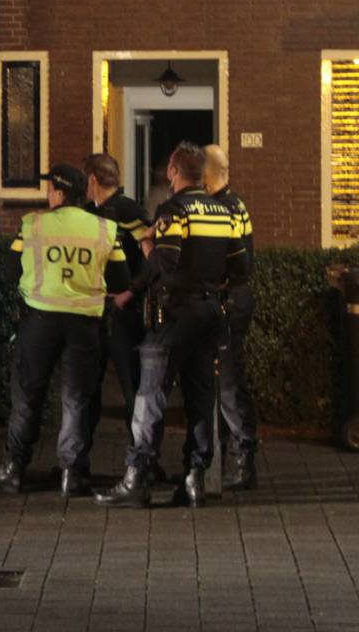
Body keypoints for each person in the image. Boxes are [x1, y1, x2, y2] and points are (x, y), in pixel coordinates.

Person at [94, 141, 248, 509]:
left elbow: (166, 263)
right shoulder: (225, 212)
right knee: (200, 398)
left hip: (175, 317)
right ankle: (195, 478)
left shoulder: (173, 210)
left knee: (150, 397)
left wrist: (147, 245)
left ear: (174, 172)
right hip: (210, 316)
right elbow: (241, 270)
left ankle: (136, 478)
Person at [0, 164, 129, 496]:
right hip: (85, 324)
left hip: (40, 320)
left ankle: (14, 468)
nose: (47, 194)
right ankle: (72, 474)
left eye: (50, 189)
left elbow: (8, 269)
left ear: (59, 192)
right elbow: (120, 280)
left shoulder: (33, 225)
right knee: (76, 399)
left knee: (28, 395)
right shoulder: (104, 229)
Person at [80, 152, 155, 477]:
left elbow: (151, 256)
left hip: (122, 315)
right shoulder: (88, 213)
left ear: (93, 180)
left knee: (130, 388)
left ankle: (142, 464)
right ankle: (79, 463)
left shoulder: (129, 212)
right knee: (87, 389)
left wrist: (132, 292)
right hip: (96, 313)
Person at [204, 143, 259, 490]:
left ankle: (241, 458)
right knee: (228, 378)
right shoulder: (235, 205)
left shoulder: (224, 209)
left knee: (226, 382)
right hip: (235, 298)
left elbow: (237, 262)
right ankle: (229, 455)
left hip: (229, 300)